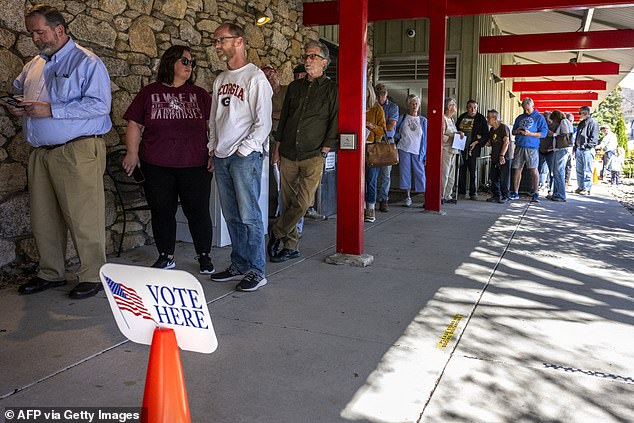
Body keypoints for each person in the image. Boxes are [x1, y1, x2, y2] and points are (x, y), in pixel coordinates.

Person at [3, 4, 111, 299]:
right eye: (31, 33)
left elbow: (100, 105)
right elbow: (22, 95)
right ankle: (51, 273)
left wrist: (51, 109)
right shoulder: (33, 65)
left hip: (76, 151)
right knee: (44, 217)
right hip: (41, 152)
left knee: (83, 216)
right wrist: (18, 105)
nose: (35, 38)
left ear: (59, 30)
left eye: (40, 31)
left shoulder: (86, 62)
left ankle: (93, 274)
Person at [123, 45, 214, 273]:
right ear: (170, 62)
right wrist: (132, 153)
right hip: (157, 165)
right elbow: (134, 123)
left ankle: (204, 255)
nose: (189, 66)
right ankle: (166, 255)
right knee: (162, 210)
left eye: (192, 63)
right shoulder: (149, 92)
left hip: (195, 164)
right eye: (185, 61)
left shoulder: (200, 95)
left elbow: (214, 127)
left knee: (199, 211)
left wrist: (214, 153)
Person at [207, 23, 272, 292]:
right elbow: (214, 118)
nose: (217, 45)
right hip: (222, 156)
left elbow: (263, 122)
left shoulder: (256, 78)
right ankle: (239, 263)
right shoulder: (221, 79)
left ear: (239, 41)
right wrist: (213, 146)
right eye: (216, 41)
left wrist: (245, 149)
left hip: (244, 157)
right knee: (231, 215)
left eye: (221, 40)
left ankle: (257, 270)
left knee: (249, 215)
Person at [268, 40, 338, 262]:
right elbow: (286, 119)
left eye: (312, 57)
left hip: (314, 154)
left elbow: (334, 121)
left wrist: (325, 150)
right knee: (287, 202)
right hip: (288, 151)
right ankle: (291, 246)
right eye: (306, 56)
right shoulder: (294, 88)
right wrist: (277, 149)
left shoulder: (332, 89)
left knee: (304, 202)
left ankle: (276, 232)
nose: (307, 60)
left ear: (324, 62)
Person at [508, 98, 548, 203]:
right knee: (517, 168)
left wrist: (530, 134)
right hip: (519, 145)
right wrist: (517, 131)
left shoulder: (539, 118)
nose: (526, 112)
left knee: (533, 169)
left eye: (528, 109)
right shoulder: (520, 117)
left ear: (532, 106)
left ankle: (535, 193)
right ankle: (515, 192)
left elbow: (543, 133)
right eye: (524, 109)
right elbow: (513, 131)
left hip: (532, 147)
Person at [261, 64, 287, 219]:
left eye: (271, 73)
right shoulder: (263, 94)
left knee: (285, 178)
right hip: (266, 139)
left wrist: (268, 113)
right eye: (265, 75)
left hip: (284, 138)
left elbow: (288, 114)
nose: (270, 77)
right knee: (270, 179)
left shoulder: (287, 92)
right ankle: (272, 213)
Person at [394, 94, 427, 207]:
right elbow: (394, 131)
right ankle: (407, 197)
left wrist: (425, 155)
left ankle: (425, 197)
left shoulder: (423, 121)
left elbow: (426, 139)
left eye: (416, 103)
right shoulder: (402, 118)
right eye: (412, 103)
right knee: (405, 174)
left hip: (418, 151)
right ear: (408, 105)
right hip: (404, 149)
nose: (414, 105)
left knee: (420, 174)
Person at [363, 82, 387, 222]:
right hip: (357, 147)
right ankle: (360, 207)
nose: (363, 92)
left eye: (365, 90)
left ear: (369, 92)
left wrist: (370, 125)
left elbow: (383, 130)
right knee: (357, 179)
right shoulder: (356, 106)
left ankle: (370, 209)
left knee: (371, 179)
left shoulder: (377, 108)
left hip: (371, 147)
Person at [456, 99, 488, 200]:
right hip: (461, 148)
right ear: (467, 108)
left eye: (475, 107)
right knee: (462, 169)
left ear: (477, 108)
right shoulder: (462, 117)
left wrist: (478, 141)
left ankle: (473, 193)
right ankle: (461, 192)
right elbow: (455, 129)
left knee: (473, 170)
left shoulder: (481, 119)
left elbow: (486, 135)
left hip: (473, 148)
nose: (472, 109)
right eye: (470, 107)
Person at [374, 83, 399, 212]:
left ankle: (383, 199)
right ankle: (371, 199)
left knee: (385, 174)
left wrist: (375, 127)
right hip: (373, 141)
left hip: (386, 141)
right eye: (378, 95)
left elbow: (390, 126)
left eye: (382, 95)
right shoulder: (371, 106)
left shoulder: (393, 107)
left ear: (386, 94)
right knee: (372, 173)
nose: (380, 97)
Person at [485, 109, 511, 204]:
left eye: (488, 117)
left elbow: (506, 142)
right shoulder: (492, 130)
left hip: (504, 157)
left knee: (504, 177)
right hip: (495, 156)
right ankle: (496, 195)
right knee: (494, 177)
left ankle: (505, 196)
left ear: (495, 119)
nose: (487, 119)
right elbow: (490, 142)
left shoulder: (503, 128)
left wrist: (502, 155)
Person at [574, 106, 599, 196]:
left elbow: (594, 137)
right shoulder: (581, 123)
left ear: (585, 113)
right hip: (579, 148)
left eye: (580, 113)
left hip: (587, 149)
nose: (579, 115)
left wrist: (588, 146)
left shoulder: (593, 122)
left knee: (587, 170)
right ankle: (581, 187)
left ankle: (587, 188)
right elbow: (577, 136)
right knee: (579, 170)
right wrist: (575, 147)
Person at [549, 110, 574, 202]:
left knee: (559, 172)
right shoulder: (566, 122)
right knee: (557, 172)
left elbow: (565, 135)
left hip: (562, 149)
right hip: (561, 149)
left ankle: (560, 194)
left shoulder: (564, 122)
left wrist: (553, 134)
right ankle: (556, 193)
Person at [441, 98, 461, 203]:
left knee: (451, 175)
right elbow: (441, 136)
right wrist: (454, 135)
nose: (455, 107)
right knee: (445, 173)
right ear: (448, 107)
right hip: (445, 149)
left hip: (454, 150)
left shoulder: (452, 120)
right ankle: (441, 195)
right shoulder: (443, 119)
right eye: (453, 105)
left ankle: (448, 195)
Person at [538, 111, 556, 196]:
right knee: (538, 170)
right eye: (544, 119)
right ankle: (536, 188)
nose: (546, 121)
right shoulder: (540, 125)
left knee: (552, 171)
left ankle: (551, 189)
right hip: (540, 150)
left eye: (547, 120)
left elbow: (557, 137)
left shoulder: (555, 126)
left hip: (551, 151)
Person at [564, 113, 576, 187]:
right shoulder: (563, 127)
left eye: (572, 121)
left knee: (569, 165)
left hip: (571, 149)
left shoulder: (574, 129)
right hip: (564, 148)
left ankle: (566, 181)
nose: (571, 123)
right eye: (569, 120)